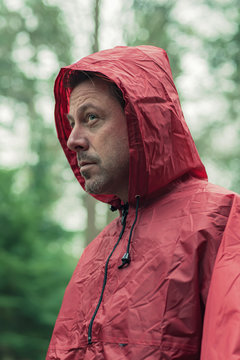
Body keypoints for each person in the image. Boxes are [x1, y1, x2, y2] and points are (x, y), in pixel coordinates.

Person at [46, 46, 240, 360]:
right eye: (72, 123)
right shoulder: (93, 255)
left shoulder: (221, 220)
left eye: (91, 118)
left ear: (142, 119)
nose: (73, 139)